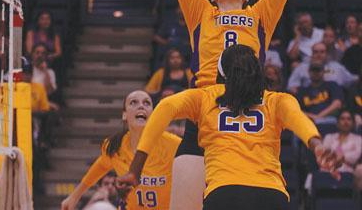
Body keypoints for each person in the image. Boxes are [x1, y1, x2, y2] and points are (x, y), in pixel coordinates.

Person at [168, 0, 296, 210]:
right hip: (205, 103)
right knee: (185, 197)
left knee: (245, 191)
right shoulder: (201, 13)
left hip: (250, 105)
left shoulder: (260, 15)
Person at [117, 45, 342, 210]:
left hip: (224, 192)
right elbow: (299, 120)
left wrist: (136, 167)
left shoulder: (204, 97)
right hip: (271, 195)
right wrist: (317, 144)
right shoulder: (278, 100)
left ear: (220, 73)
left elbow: (164, 108)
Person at [60, 90, 181, 210]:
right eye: (134, 102)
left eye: (146, 103)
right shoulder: (115, 146)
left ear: (153, 113)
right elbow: (101, 166)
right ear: (124, 114)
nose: (141, 106)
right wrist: (74, 197)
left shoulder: (173, 144)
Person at [287, 42, 358, 94]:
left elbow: (352, 79)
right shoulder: (301, 68)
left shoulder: (337, 67)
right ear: (311, 54)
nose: (319, 54)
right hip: (309, 101)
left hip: (333, 100)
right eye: (316, 52)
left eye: (322, 52)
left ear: (327, 54)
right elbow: (291, 86)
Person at [321, 110, 362, 175]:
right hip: (327, 171)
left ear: (353, 123)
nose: (346, 122)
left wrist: (338, 157)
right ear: (337, 123)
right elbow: (324, 155)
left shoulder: (358, 139)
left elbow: (354, 158)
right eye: (342, 119)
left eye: (349, 119)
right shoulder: (328, 137)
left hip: (349, 172)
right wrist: (342, 158)